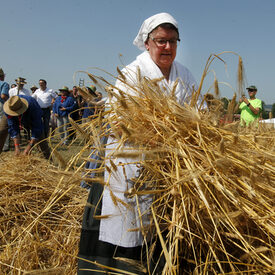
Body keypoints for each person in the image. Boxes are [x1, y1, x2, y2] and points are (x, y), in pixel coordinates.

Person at [78, 13, 199, 274]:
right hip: (131, 165)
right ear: (147, 43)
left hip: (171, 168)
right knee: (127, 226)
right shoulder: (133, 73)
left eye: (173, 41)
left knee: (162, 227)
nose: (167, 47)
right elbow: (117, 122)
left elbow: (197, 114)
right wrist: (157, 139)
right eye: (161, 41)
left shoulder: (185, 75)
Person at [0, 68, 10, 152]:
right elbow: (3, 96)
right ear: (2, 76)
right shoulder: (4, 84)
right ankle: (4, 146)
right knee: (4, 125)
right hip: (1, 105)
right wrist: (9, 102)